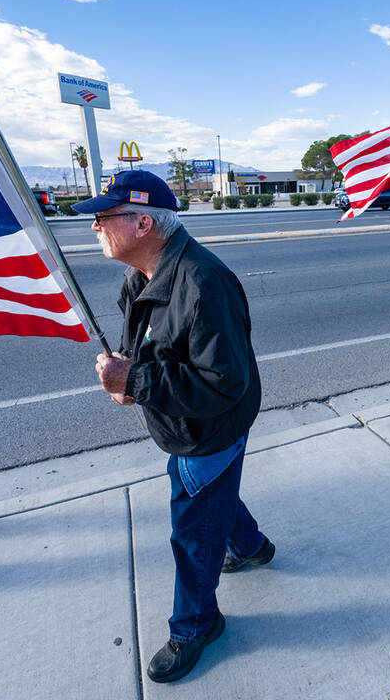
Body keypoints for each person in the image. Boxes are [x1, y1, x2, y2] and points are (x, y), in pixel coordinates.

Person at [83, 171, 271, 684]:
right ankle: (252, 547)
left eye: (103, 218)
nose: (94, 226)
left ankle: (195, 625)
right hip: (184, 422)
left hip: (206, 430)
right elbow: (144, 339)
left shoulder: (203, 282)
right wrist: (130, 376)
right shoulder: (141, 272)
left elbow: (223, 383)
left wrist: (137, 380)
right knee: (214, 495)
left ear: (143, 223)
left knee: (191, 530)